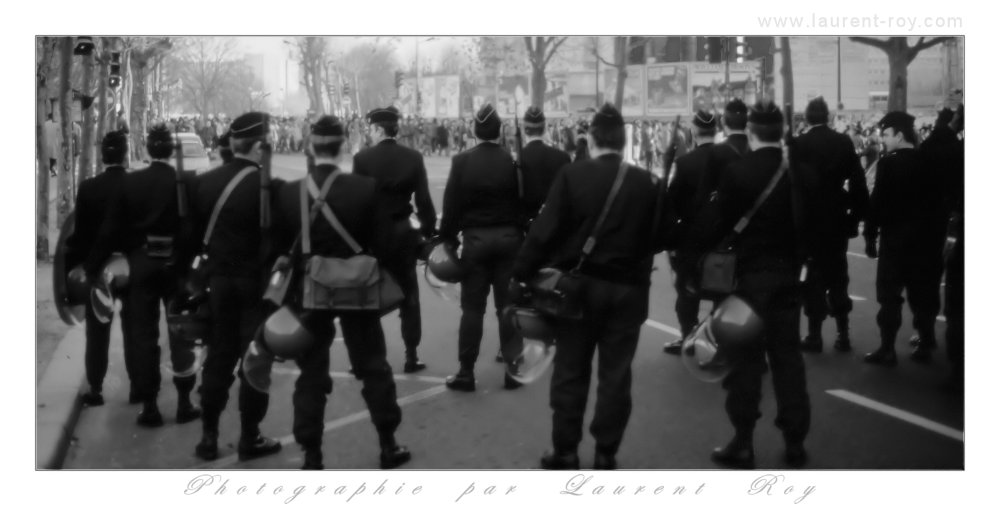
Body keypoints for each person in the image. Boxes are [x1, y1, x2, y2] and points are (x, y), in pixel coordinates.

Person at [510, 103, 669, 470]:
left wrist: (521, 272)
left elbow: (543, 232)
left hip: (579, 289)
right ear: (624, 141)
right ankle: (606, 451)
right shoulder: (647, 182)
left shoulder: (572, 175)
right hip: (628, 291)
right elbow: (664, 236)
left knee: (571, 372)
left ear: (592, 139)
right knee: (616, 376)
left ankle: (565, 450)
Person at [270, 115, 410, 470]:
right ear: (345, 145)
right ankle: (388, 443)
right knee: (373, 367)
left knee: (311, 376)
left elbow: (276, 249)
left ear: (310, 147)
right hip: (359, 290)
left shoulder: (289, 193)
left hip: (310, 292)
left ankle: (311, 454)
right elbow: (387, 245)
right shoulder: (365, 189)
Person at [708, 101, 810, 470]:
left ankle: (743, 441)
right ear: (781, 131)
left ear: (750, 132)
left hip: (746, 281)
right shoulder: (799, 173)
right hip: (787, 278)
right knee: (788, 360)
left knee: (745, 362)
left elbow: (719, 225)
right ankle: (795, 439)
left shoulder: (737, 172)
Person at [83, 124, 202, 428]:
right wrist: (187, 263)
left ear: (148, 149)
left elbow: (111, 231)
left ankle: (150, 406)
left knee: (144, 336)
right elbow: (193, 230)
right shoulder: (186, 181)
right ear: (171, 150)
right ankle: (185, 401)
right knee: (181, 334)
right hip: (176, 266)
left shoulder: (132, 183)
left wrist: (93, 265)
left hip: (142, 264)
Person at [190, 112, 282, 462]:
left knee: (218, 358)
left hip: (217, 284)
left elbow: (192, 239)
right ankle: (250, 436)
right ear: (258, 145)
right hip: (255, 288)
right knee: (254, 362)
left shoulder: (205, 183)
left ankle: (209, 436)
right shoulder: (268, 187)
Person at [439, 103, 525, 392]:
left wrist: (447, 239)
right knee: (507, 308)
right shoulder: (512, 161)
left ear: (475, 130)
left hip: (475, 241)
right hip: (509, 240)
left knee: (473, 309)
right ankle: (513, 370)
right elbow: (522, 204)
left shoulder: (462, 162)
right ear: (499, 131)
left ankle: (466, 372)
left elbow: (451, 207)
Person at [353, 106, 437, 373]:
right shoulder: (412, 157)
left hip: (373, 236)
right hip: (403, 235)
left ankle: (368, 357)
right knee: (409, 297)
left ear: (378, 129)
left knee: (368, 298)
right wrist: (428, 233)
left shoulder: (363, 159)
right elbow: (423, 201)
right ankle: (411, 354)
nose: (369, 133)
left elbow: (357, 200)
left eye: (371, 128)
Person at [863, 111, 949, 365]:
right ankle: (925, 341)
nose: (884, 141)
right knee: (923, 292)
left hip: (896, 240)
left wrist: (870, 235)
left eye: (887, 135)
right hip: (925, 241)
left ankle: (887, 348)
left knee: (889, 295)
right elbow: (939, 203)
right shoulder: (929, 161)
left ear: (899, 135)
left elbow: (877, 203)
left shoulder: (889, 163)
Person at [796, 98, 870, 353]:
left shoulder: (800, 144)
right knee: (838, 276)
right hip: (837, 217)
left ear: (807, 118)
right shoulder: (842, 142)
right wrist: (855, 217)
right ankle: (843, 333)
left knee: (812, 278)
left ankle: (814, 334)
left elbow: (792, 187)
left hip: (809, 221)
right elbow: (858, 183)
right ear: (827, 116)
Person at [64, 131, 131, 406]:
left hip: (98, 269)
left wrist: (78, 270)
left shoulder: (89, 188)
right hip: (128, 267)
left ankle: (96, 388)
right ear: (126, 154)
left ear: (103, 155)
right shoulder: (134, 184)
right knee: (136, 328)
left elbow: (79, 235)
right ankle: (140, 388)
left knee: (98, 330)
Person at [662, 110, 718, 354]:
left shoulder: (685, 163)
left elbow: (671, 202)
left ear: (694, 131)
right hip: (724, 237)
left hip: (692, 239)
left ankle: (688, 337)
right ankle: (720, 337)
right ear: (715, 131)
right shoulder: (731, 157)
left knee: (687, 292)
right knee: (723, 292)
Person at [519, 106, 572, 222]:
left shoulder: (517, 158)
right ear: (544, 128)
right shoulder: (562, 157)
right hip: (555, 225)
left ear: (524, 129)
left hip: (527, 225)